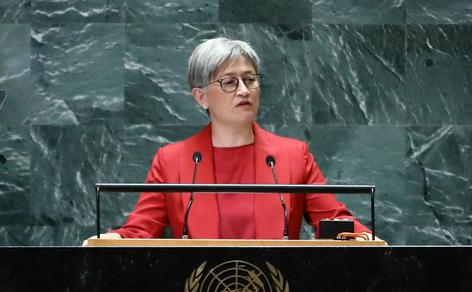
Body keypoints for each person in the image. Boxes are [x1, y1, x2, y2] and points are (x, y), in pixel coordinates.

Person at [84, 37, 375, 244]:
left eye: (250, 79)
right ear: (201, 97)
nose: (244, 90)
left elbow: (335, 220)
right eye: (229, 82)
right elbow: (140, 230)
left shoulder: (292, 155)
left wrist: (366, 238)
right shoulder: (172, 161)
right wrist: (111, 239)